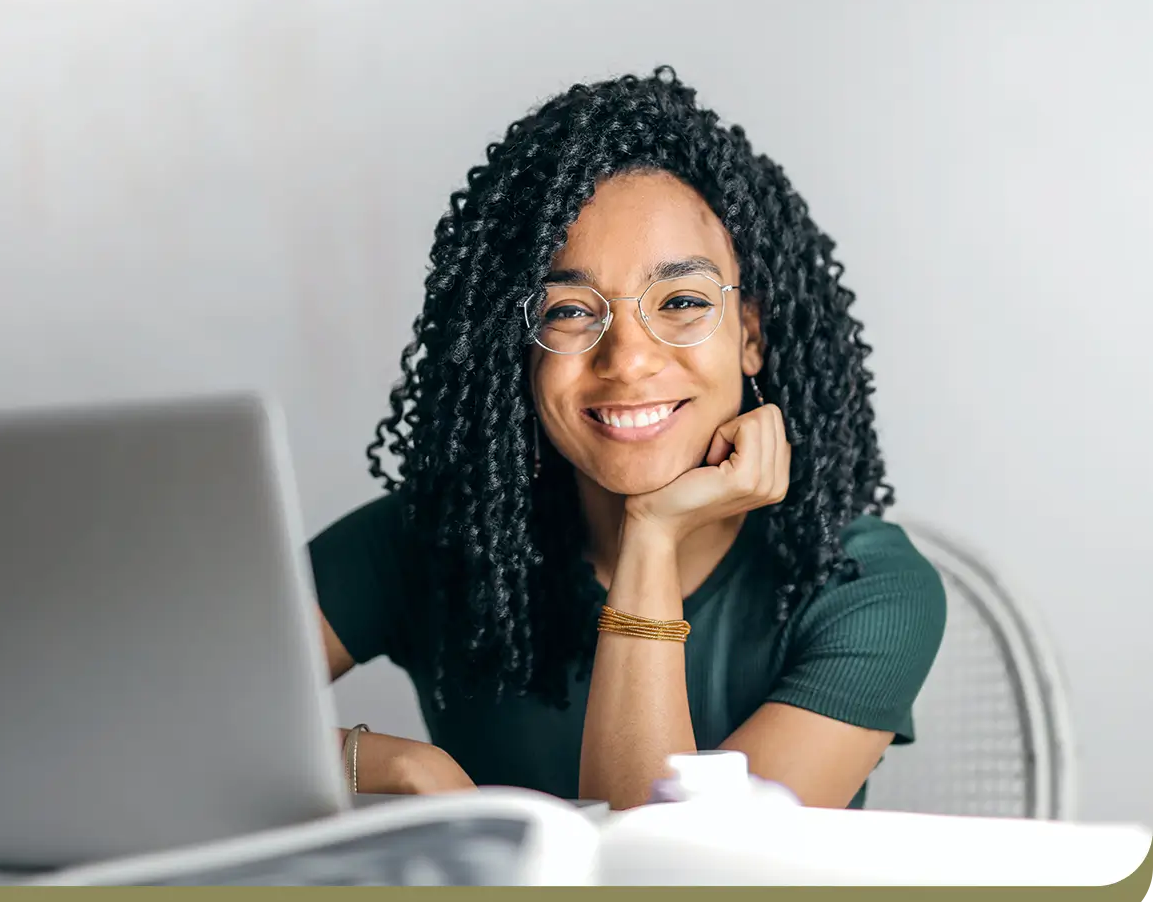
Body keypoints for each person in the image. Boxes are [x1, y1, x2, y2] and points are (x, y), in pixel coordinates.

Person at [309, 67, 946, 811]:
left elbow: (665, 884)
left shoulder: (864, 587)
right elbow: (157, 718)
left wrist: (652, 535)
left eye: (680, 301)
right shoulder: (433, 539)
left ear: (751, 334)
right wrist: (395, 766)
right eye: (570, 312)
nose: (630, 359)